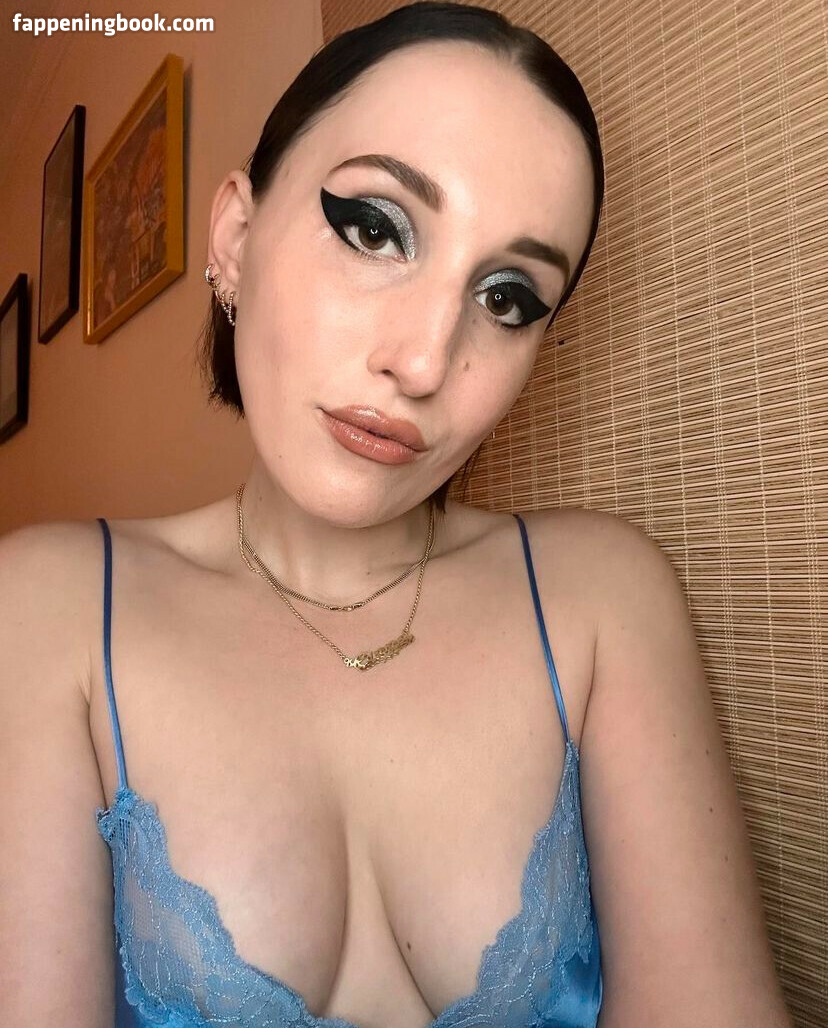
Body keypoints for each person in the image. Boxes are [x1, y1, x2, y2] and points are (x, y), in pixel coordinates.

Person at [0, 3, 795, 1027]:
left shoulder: (601, 600)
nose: (423, 361)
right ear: (235, 237)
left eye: (506, 297)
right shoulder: (47, 608)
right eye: (375, 229)